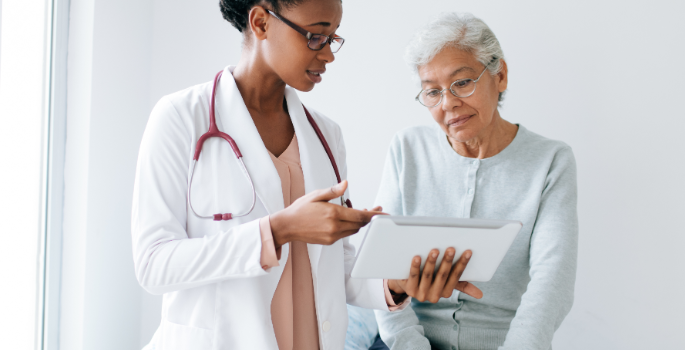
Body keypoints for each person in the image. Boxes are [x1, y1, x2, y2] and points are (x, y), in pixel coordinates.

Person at [130, 2, 481, 350]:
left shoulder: (327, 135)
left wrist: (396, 283)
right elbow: (153, 264)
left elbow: (332, 268)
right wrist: (278, 230)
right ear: (262, 22)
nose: (329, 55)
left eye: (333, 38)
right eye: (316, 37)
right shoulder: (179, 119)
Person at [346, 12, 578, 350]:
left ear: (500, 76)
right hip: (408, 341)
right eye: (432, 92)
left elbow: (552, 282)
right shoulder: (407, 148)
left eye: (462, 83)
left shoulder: (551, 161)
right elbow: (381, 270)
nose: (449, 103)